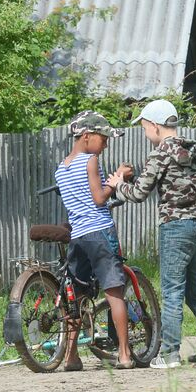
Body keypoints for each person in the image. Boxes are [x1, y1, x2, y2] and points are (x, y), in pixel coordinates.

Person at [107, 99, 196, 368]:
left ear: (154, 126)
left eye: (145, 128)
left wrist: (118, 186)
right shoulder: (194, 152)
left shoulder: (159, 154)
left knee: (172, 292)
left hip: (174, 228)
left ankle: (170, 354)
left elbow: (138, 193)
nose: (145, 133)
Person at [54, 110, 133, 370]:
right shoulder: (90, 160)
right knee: (114, 290)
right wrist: (117, 178)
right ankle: (123, 354)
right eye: (104, 137)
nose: (106, 143)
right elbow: (99, 199)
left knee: (76, 297)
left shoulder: (61, 167)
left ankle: (71, 357)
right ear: (86, 136)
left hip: (78, 237)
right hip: (99, 232)